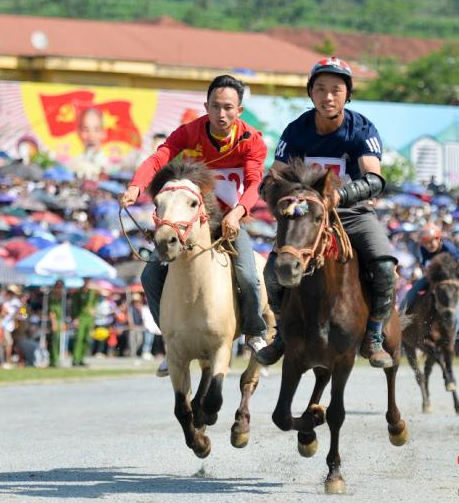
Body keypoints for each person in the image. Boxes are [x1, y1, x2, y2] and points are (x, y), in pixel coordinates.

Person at [120, 74, 270, 377]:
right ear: (206, 106)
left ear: (239, 110)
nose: (221, 114)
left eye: (228, 107)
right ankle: (171, 344)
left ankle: (255, 333)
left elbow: (255, 184)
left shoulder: (251, 141)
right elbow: (158, 157)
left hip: (228, 223)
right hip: (188, 224)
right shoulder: (189, 132)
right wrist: (137, 186)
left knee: (249, 275)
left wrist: (237, 213)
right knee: (150, 275)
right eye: (215, 106)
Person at [254, 57, 395, 368]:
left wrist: (339, 195)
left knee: (384, 265)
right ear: (311, 93)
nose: (328, 96)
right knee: (273, 270)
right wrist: (274, 194)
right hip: (306, 215)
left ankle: (373, 336)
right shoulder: (296, 130)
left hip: (351, 213)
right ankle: (279, 335)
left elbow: (374, 178)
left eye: (336, 90)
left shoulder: (362, 129)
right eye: (320, 89)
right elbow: (273, 178)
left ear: (347, 95)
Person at [400, 223, 459, 312]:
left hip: (451, 277)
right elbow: (424, 264)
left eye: (430, 242)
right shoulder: (423, 249)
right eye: (425, 243)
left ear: (438, 238)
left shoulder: (449, 249)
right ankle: (401, 314)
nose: (428, 246)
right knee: (412, 292)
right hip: (432, 276)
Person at [71, 280, 97, 367]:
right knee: (78, 338)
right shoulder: (78, 293)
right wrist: (75, 318)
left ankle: (82, 359)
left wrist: (93, 316)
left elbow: (94, 306)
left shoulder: (92, 293)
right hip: (80, 318)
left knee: (87, 339)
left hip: (89, 319)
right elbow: (74, 306)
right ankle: (75, 359)